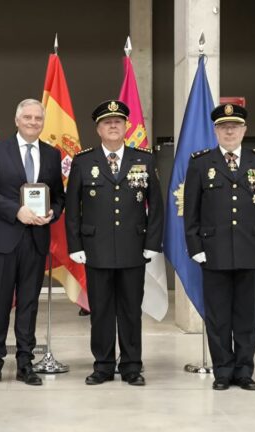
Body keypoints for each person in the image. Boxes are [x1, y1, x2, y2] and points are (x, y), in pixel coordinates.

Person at [65, 100, 163, 386]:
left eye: (118, 122)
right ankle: (103, 365)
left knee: (132, 311)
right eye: (107, 123)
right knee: (102, 311)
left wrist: (152, 243)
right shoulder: (84, 161)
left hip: (134, 248)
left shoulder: (143, 159)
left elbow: (155, 207)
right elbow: (73, 209)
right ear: (98, 128)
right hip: (96, 250)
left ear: (126, 127)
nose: (113, 126)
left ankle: (132, 366)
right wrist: (76, 245)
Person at [183, 103, 255, 391]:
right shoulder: (200, 163)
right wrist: (195, 246)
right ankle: (223, 371)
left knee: (247, 316)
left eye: (234, 126)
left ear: (244, 130)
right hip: (214, 251)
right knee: (218, 315)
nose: (229, 130)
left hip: (251, 249)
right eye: (223, 126)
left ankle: (244, 371)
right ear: (215, 130)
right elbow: (191, 211)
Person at [0, 99, 65, 387]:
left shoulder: (52, 154)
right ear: (16, 120)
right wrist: (16, 210)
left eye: (38, 118)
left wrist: (53, 213)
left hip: (37, 240)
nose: (33, 122)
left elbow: (59, 196)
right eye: (27, 117)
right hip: (4, 239)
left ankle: (25, 363)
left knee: (29, 304)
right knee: (0, 303)